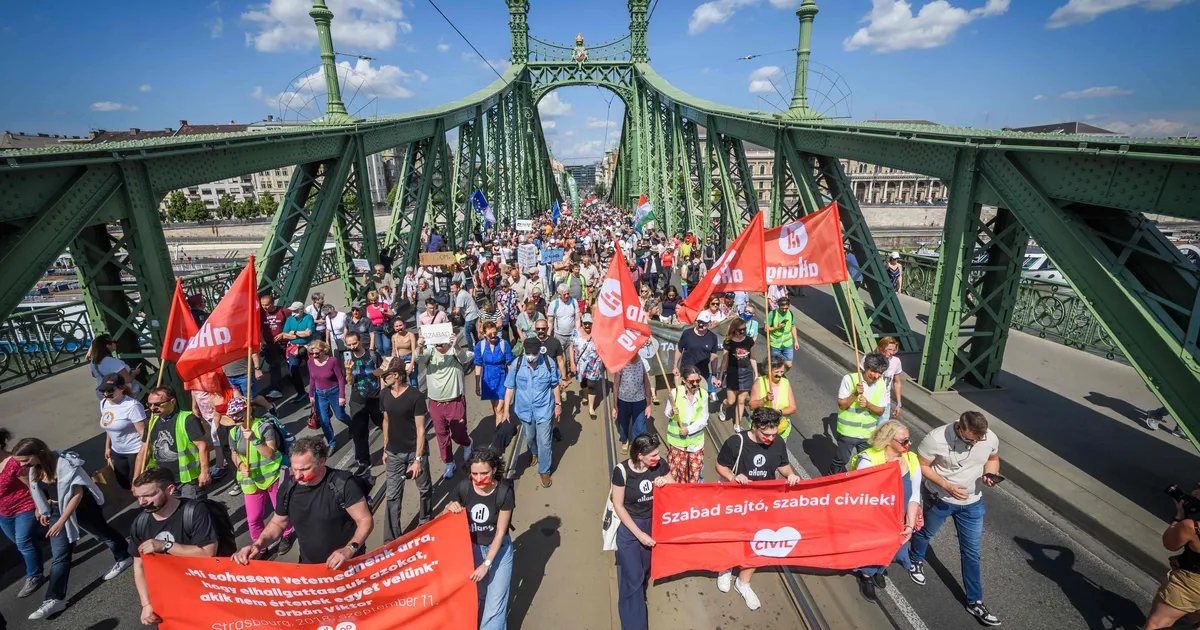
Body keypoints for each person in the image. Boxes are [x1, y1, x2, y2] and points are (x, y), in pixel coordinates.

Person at [14, 438, 133, 620]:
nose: (22, 465)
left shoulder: (66, 463)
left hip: (81, 507)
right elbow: (37, 490)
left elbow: (76, 494)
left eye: (25, 460)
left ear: (38, 453)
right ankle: (54, 599)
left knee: (102, 534)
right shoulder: (34, 469)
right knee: (60, 555)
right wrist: (42, 508)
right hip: (56, 510)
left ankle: (124, 556)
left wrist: (62, 520)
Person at [908, 411, 1002, 627]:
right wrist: (946, 485)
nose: (973, 443)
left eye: (978, 439)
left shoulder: (989, 438)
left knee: (971, 551)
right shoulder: (936, 438)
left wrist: (990, 474)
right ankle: (915, 560)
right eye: (970, 439)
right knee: (925, 533)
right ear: (959, 428)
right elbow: (920, 465)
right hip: (940, 497)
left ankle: (974, 601)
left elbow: (993, 458)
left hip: (972, 503)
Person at [232, 437, 373, 567]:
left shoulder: (343, 484)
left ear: (322, 461)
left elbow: (365, 520)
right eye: (294, 469)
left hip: (347, 563)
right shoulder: (289, 487)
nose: (298, 475)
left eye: (305, 469)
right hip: (309, 566)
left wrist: (349, 549)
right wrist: (258, 545)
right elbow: (278, 523)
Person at [714, 407, 802, 610]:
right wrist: (732, 477)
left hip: (764, 502)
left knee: (758, 541)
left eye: (774, 433)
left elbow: (783, 465)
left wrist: (790, 475)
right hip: (736, 501)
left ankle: (743, 582)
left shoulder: (778, 442)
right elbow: (720, 466)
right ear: (754, 427)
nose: (771, 438)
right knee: (733, 536)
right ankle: (725, 568)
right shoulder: (736, 442)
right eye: (766, 434)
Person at [130, 468, 219, 627]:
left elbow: (207, 554)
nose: (142, 502)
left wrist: (165, 545)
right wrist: (146, 604)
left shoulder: (195, 511)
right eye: (138, 496)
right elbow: (139, 566)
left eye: (149, 495)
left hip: (204, 593)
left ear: (170, 489)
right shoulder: (140, 523)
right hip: (169, 599)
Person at [849, 421, 922, 602]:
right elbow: (861, 493)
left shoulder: (912, 459)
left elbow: (914, 495)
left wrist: (910, 524)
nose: (909, 444)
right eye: (904, 441)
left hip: (897, 517)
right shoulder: (868, 459)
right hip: (874, 516)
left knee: (891, 547)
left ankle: (878, 569)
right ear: (889, 441)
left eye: (909, 440)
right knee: (873, 547)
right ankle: (867, 577)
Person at [444, 447, 515, 630]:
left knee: (495, 606)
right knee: (478, 596)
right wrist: (450, 508)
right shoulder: (464, 487)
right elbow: (446, 513)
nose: (479, 479)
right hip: (473, 550)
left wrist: (487, 564)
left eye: (484, 473)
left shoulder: (504, 492)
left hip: (498, 551)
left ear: (494, 470)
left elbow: (500, 531)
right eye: (474, 473)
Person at [611, 432, 673, 630]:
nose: (657, 458)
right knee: (633, 578)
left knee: (645, 570)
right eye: (653, 455)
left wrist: (666, 483)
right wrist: (639, 535)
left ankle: (638, 595)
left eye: (657, 454)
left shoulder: (660, 465)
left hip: (652, 524)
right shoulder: (621, 471)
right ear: (640, 456)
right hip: (630, 529)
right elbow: (618, 506)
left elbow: (675, 486)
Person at [224, 397, 295, 556]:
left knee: (281, 510)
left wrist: (255, 440)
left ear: (249, 410)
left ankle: (287, 534)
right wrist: (241, 466)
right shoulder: (233, 433)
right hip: (250, 479)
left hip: (272, 475)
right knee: (254, 518)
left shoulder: (264, 427)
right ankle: (260, 546)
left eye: (239, 412)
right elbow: (234, 454)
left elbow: (270, 453)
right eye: (233, 414)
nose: (235, 417)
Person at [380, 361, 433, 537]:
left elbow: (420, 429)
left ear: (396, 375)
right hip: (393, 453)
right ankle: (391, 539)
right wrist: (385, 448)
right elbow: (386, 420)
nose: (382, 378)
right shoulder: (384, 395)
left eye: (384, 375)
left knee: (424, 488)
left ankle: (425, 520)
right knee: (392, 495)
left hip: (414, 452)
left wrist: (417, 460)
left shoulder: (415, 397)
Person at [501, 338, 561, 488]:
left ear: (539, 351)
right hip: (525, 411)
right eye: (528, 353)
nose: (531, 357)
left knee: (545, 441)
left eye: (533, 354)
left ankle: (544, 470)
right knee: (530, 437)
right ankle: (533, 452)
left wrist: (558, 404)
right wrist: (506, 410)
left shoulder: (548, 363)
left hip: (544, 409)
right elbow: (509, 387)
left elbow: (555, 385)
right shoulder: (518, 364)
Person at [137, 387, 212, 499]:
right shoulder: (151, 423)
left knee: (193, 511)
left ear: (172, 402)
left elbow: (203, 446)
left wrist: (204, 472)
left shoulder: (187, 419)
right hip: (163, 480)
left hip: (188, 480)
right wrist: (137, 478)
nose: (153, 408)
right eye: (149, 404)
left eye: (157, 404)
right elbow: (144, 451)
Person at [418, 331, 474, 479]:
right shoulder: (429, 353)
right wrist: (419, 347)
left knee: (458, 434)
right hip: (435, 403)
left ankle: (467, 443)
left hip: (454, 401)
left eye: (441, 341)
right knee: (442, 435)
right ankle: (449, 462)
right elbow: (418, 359)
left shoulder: (454, 352)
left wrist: (455, 345)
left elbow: (466, 357)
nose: (439, 344)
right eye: (436, 342)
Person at [1144, 492, 1200, 629]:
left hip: (1189, 585)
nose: (1193, 492)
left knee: (1156, 622)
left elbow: (1169, 543)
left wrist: (1180, 516)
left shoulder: (1192, 527)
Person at [0, 427, 44, 600]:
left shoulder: (14, 462)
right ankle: (57, 536)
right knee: (25, 541)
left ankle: (35, 576)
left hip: (24, 506)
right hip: (4, 513)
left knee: (24, 541)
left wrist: (39, 507)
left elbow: (31, 484)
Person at [343, 331, 383, 475]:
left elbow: (382, 373)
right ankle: (364, 462)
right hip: (357, 401)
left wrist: (384, 393)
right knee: (359, 433)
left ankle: (393, 451)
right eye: (349, 344)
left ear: (360, 341)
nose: (352, 346)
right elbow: (350, 382)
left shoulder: (372, 355)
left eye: (355, 343)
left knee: (385, 425)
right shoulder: (347, 359)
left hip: (375, 397)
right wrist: (348, 371)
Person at [97, 373, 146, 490]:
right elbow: (109, 426)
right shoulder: (104, 403)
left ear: (122, 388)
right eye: (102, 390)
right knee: (124, 483)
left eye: (110, 390)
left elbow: (144, 434)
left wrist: (144, 455)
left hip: (135, 450)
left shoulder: (132, 406)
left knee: (138, 483)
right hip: (117, 450)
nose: (105, 394)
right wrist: (107, 447)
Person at [663, 367, 708, 484]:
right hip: (677, 444)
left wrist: (688, 430)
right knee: (675, 475)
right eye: (691, 381)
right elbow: (667, 412)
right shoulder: (675, 393)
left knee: (695, 476)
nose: (695, 384)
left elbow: (704, 418)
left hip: (696, 444)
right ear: (683, 380)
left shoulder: (703, 395)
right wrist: (672, 412)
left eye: (698, 381)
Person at [532, 319, 570, 442]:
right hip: (537, 381)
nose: (541, 331)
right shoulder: (532, 343)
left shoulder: (554, 342)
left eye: (543, 328)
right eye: (538, 329)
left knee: (555, 405)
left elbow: (560, 360)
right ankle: (539, 428)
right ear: (535, 329)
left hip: (553, 380)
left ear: (547, 329)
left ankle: (554, 428)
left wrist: (564, 377)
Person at [306, 340, 346, 450]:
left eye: (317, 353)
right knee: (324, 420)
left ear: (324, 351)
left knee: (340, 416)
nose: (314, 356)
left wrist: (341, 396)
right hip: (320, 394)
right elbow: (312, 378)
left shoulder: (332, 361)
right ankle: (331, 443)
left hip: (334, 392)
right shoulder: (310, 362)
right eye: (312, 353)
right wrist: (311, 394)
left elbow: (340, 378)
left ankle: (353, 426)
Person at [718, 318, 757, 428]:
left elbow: (753, 358)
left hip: (746, 372)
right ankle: (724, 407)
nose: (742, 332)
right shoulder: (728, 342)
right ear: (734, 330)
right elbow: (724, 361)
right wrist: (720, 377)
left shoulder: (749, 341)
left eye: (744, 329)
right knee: (731, 401)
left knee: (741, 401)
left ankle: (737, 425)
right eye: (740, 330)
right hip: (733, 373)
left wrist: (756, 374)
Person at [673, 315, 719, 407]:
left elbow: (714, 356)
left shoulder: (713, 337)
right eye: (699, 322)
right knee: (683, 398)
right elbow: (679, 349)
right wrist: (675, 366)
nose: (701, 325)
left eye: (704, 323)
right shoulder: (687, 334)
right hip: (686, 373)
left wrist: (713, 375)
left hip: (702, 374)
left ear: (709, 323)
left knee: (701, 398)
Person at [612, 354, 653, 454]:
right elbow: (616, 385)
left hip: (639, 400)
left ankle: (637, 444)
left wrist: (648, 403)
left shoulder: (643, 362)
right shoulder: (621, 363)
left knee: (640, 425)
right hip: (623, 400)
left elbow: (647, 384)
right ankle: (624, 441)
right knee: (623, 423)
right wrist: (615, 406)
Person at [748, 355, 796, 437]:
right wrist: (765, 399)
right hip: (761, 431)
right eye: (777, 372)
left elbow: (793, 408)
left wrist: (779, 412)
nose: (780, 375)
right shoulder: (759, 382)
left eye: (782, 372)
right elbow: (752, 406)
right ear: (768, 371)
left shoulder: (785, 383)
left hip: (780, 430)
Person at [475, 321, 514, 421]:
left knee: (499, 408)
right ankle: (501, 425)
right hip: (487, 379)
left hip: (501, 378)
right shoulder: (480, 346)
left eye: (495, 333)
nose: (493, 336)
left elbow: (509, 364)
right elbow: (478, 365)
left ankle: (498, 433)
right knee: (496, 409)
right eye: (489, 334)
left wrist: (512, 382)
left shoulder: (503, 344)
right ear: (484, 334)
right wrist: (477, 384)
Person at [279, 301, 315, 404]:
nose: (293, 313)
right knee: (293, 371)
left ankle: (317, 389)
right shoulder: (290, 319)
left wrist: (294, 333)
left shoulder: (308, 318)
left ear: (301, 310)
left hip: (308, 347)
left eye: (295, 311)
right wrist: (300, 335)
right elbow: (285, 335)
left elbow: (308, 333)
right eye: (292, 311)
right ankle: (301, 392)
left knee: (313, 368)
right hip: (293, 348)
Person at [88, 334, 142, 401]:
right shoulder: (113, 362)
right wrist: (135, 373)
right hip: (118, 394)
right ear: (108, 346)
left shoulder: (94, 362)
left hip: (102, 392)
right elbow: (127, 379)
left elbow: (94, 374)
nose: (115, 343)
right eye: (114, 342)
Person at [571, 314, 605, 420]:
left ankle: (591, 408)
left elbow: (604, 347)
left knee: (592, 385)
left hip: (594, 365)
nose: (587, 326)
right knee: (583, 382)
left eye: (589, 323)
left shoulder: (598, 334)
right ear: (582, 323)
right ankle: (585, 395)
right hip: (580, 365)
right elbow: (571, 347)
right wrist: (572, 363)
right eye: (585, 323)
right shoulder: (575, 333)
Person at [258, 292, 288, 400]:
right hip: (270, 343)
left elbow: (291, 325)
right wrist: (262, 340)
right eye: (262, 305)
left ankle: (299, 385)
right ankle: (277, 389)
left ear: (273, 303)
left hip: (285, 342)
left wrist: (283, 334)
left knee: (292, 364)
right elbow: (259, 327)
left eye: (267, 305)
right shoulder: (261, 313)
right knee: (274, 366)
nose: (264, 307)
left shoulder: (283, 311)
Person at [868, 336, 904, 422]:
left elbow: (897, 382)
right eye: (889, 350)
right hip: (869, 399)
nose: (892, 353)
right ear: (881, 348)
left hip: (884, 402)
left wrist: (899, 404)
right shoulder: (870, 359)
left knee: (881, 431)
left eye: (894, 350)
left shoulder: (896, 361)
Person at [765, 295, 800, 370]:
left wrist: (796, 341)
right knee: (776, 366)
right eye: (782, 308)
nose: (784, 310)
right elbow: (766, 328)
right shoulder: (772, 314)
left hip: (788, 343)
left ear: (789, 306)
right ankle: (778, 377)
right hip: (775, 344)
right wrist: (777, 327)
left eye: (786, 308)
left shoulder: (790, 313)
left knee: (789, 364)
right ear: (778, 305)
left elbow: (793, 326)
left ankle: (780, 375)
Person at [548, 284, 581, 350]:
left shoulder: (574, 302)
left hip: (571, 335)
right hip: (559, 335)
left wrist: (577, 332)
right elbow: (550, 322)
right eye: (564, 294)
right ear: (559, 294)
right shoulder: (553, 304)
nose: (567, 296)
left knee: (570, 357)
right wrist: (548, 335)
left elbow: (577, 319)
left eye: (568, 294)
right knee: (560, 357)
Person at [452, 280, 482, 348]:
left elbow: (457, 311)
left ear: (458, 288)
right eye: (451, 288)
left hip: (470, 315)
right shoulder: (462, 292)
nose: (452, 290)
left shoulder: (460, 295)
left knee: (466, 333)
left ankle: (471, 348)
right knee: (473, 330)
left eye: (453, 288)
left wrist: (453, 313)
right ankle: (478, 344)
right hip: (474, 313)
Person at [391, 317, 419, 388]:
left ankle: (416, 396)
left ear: (404, 325)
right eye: (396, 326)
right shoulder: (394, 337)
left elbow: (414, 351)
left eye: (400, 325)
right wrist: (392, 363)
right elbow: (393, 350)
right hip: (399, 359)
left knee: (413, 380)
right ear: (394, 328)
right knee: (401, 381)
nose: (399, 328)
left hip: (410, 358)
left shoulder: (410, 335)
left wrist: (411, 365)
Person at [365, 290, 394, 357]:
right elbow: (368, 320)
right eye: (371, 300)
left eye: (375, 300)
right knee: (379, 347)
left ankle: (389, 360)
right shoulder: (369, 308)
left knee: (386, 347)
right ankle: (383, 360)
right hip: (375, 328)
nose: (373, 302)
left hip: (384, 327)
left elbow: (392, 314)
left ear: (377, 298)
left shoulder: (384, 305)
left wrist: (385, 313)